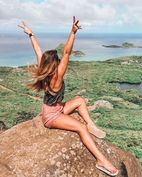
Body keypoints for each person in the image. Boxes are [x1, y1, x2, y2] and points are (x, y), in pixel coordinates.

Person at [18, 16, 119, 176]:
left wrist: (30, 34)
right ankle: (101, 160)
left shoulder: (43, 70)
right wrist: (73, 32)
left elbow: (37, 50)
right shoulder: (56, 77)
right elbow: (67, 52)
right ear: (55, 64)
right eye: (58, 62)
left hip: (56, 108)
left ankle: (92, 125)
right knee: (81, 128)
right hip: (52, 116)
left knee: (80, 100)